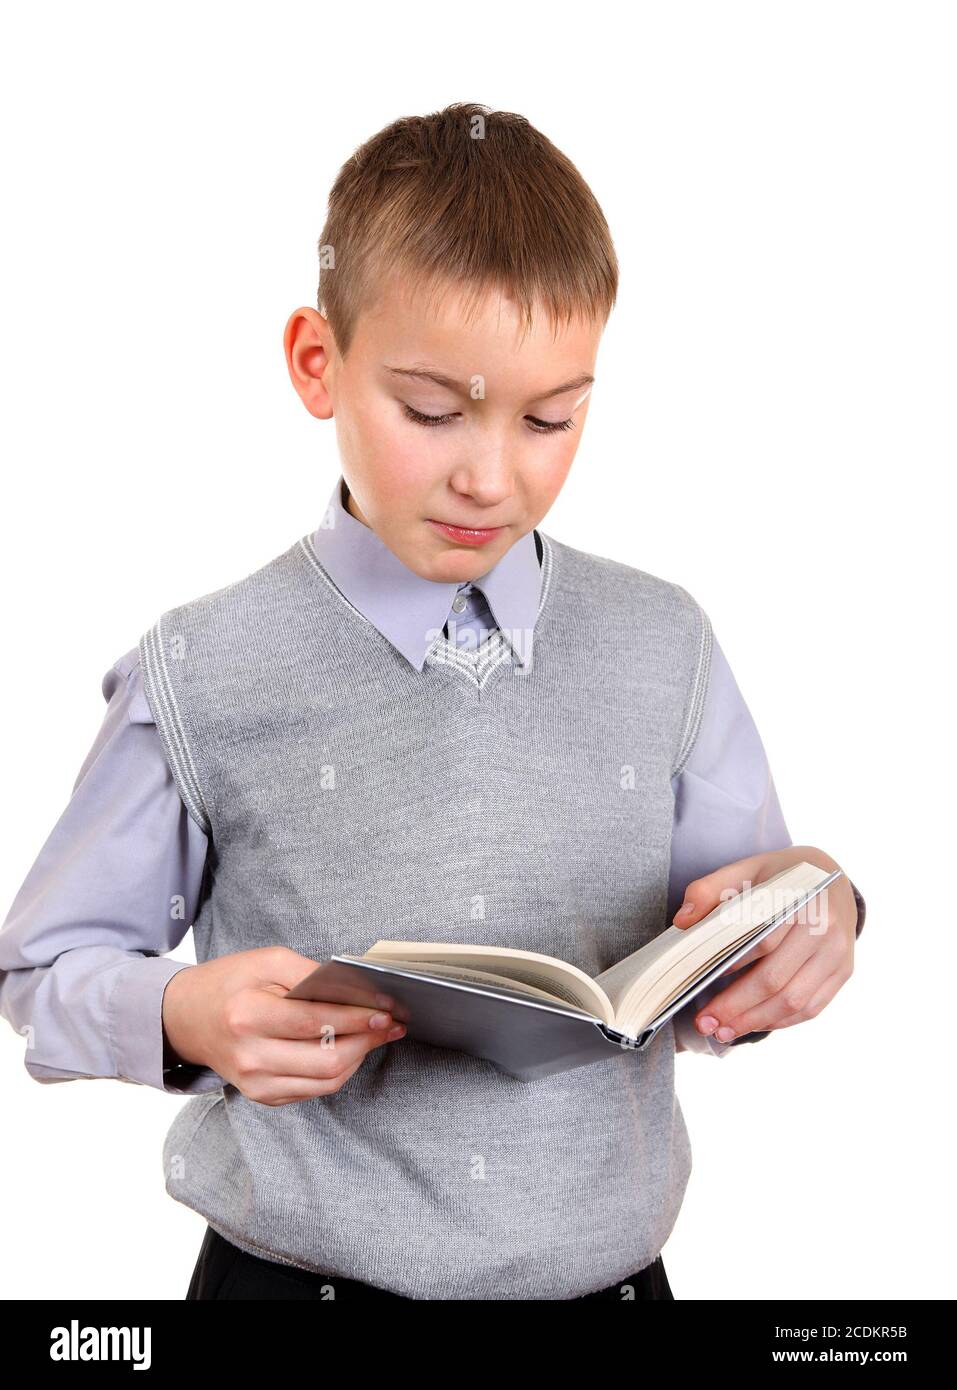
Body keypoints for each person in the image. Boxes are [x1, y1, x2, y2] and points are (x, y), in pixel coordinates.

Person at [0, 101, 864, 1302]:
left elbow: (741, 935)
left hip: (616, 1291)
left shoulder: (665, 640)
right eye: (432, 410)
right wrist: (182, 1010)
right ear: (318, 363)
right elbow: (42, 969)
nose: (491, 475)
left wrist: (817, 906)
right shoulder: (202, 663)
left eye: (552, 418)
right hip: (293, 1291)